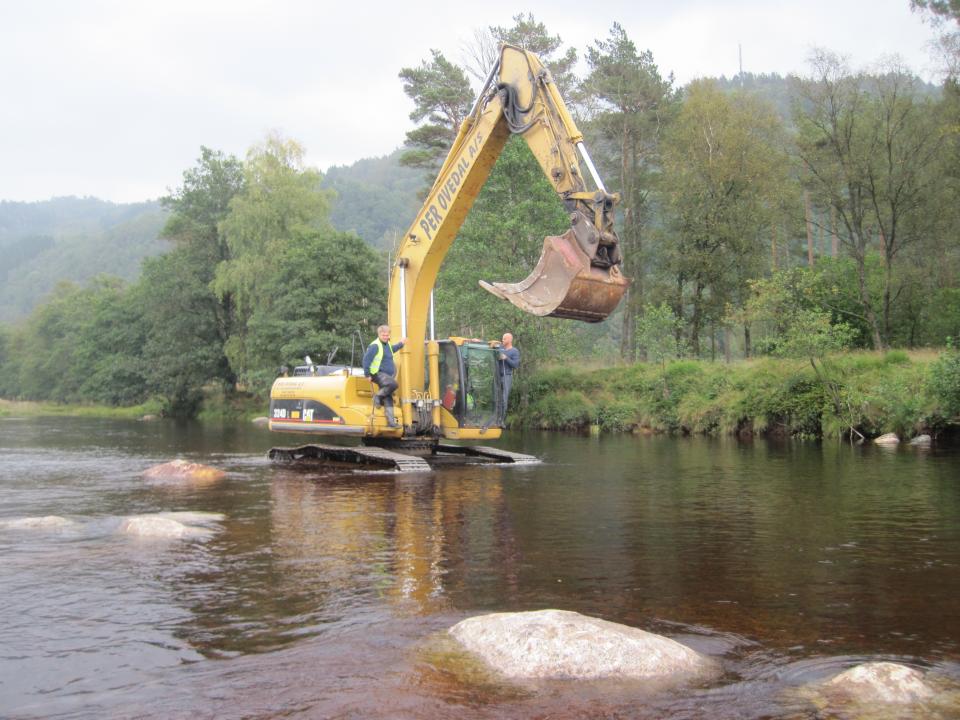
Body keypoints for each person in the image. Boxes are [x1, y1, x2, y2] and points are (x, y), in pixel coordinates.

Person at [362, 325, 406, 428]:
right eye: (383, 335)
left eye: (387, 335)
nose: (386, 337)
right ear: (379, 334)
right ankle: (377, 396)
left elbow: (393, 349)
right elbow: (366, 360)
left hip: (386, 375)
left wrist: (401, 343)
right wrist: (367, 374)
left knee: (388, 398)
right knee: (393, 384)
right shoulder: (375, 346)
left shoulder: (388, 345)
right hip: (377, 373)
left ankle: (391, 423)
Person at [496, 332, 520, 424]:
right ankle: (496, 419)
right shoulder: (500, 348)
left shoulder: (514, 351)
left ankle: (502, 420)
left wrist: (506, 358)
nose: (502, 340)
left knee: (504, 398)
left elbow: (515, 365)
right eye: (502, 338)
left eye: (504, 339)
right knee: (497, 398)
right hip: (497, 376)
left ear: (510, 340)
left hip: (507, 376)